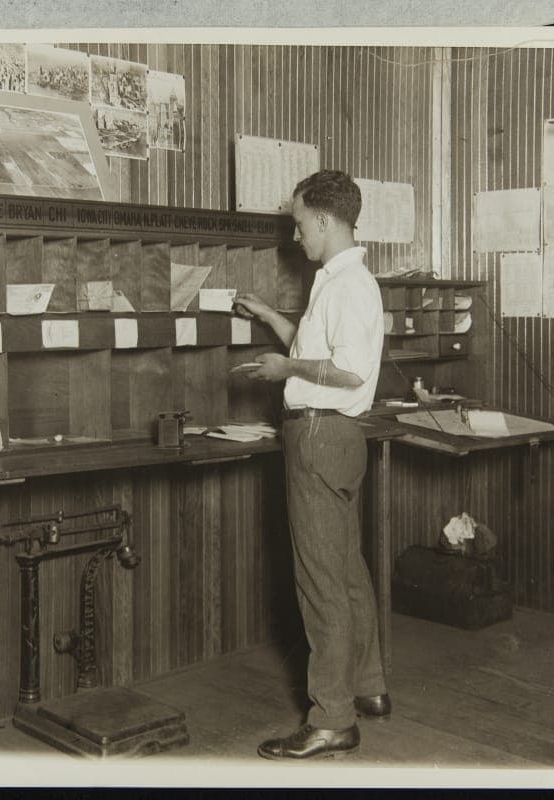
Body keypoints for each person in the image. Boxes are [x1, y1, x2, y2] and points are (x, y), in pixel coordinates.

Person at [234, 170, 390, 760]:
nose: (296, 237)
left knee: (321, 582)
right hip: (336, 438)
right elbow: (323, 346)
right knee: (345, 571)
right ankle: (369, 688)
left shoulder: (350, 286)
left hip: (321, 437)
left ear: (325, 221)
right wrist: (273, 318)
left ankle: (331, 719)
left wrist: (285, 371)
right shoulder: (340, 281)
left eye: (299, 225)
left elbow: (347, 371)